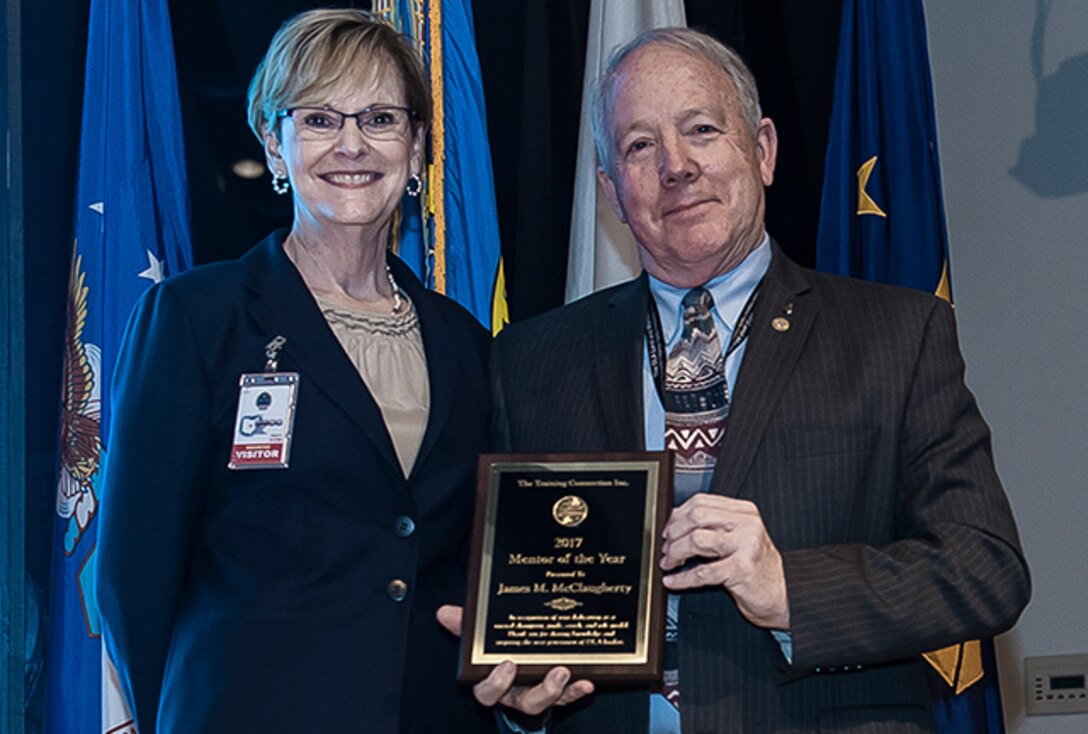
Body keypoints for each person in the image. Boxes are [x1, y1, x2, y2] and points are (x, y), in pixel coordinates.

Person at [440, 26, 1030, 734]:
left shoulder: (897, 336)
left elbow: (985, 568)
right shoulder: (532, 360)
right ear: (611, 192)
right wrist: (523, 702)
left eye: (702, 129)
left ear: (764, 150)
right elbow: (522, 595)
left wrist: (790, 591)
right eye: (639, 146)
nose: (676, 166)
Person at [96, 9, 494, 733]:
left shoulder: (466, 345)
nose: (350, 144)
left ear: (417, 147)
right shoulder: (195, 320)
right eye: (318, 119)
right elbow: (134, 577)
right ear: (275, 148)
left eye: (378, 117)